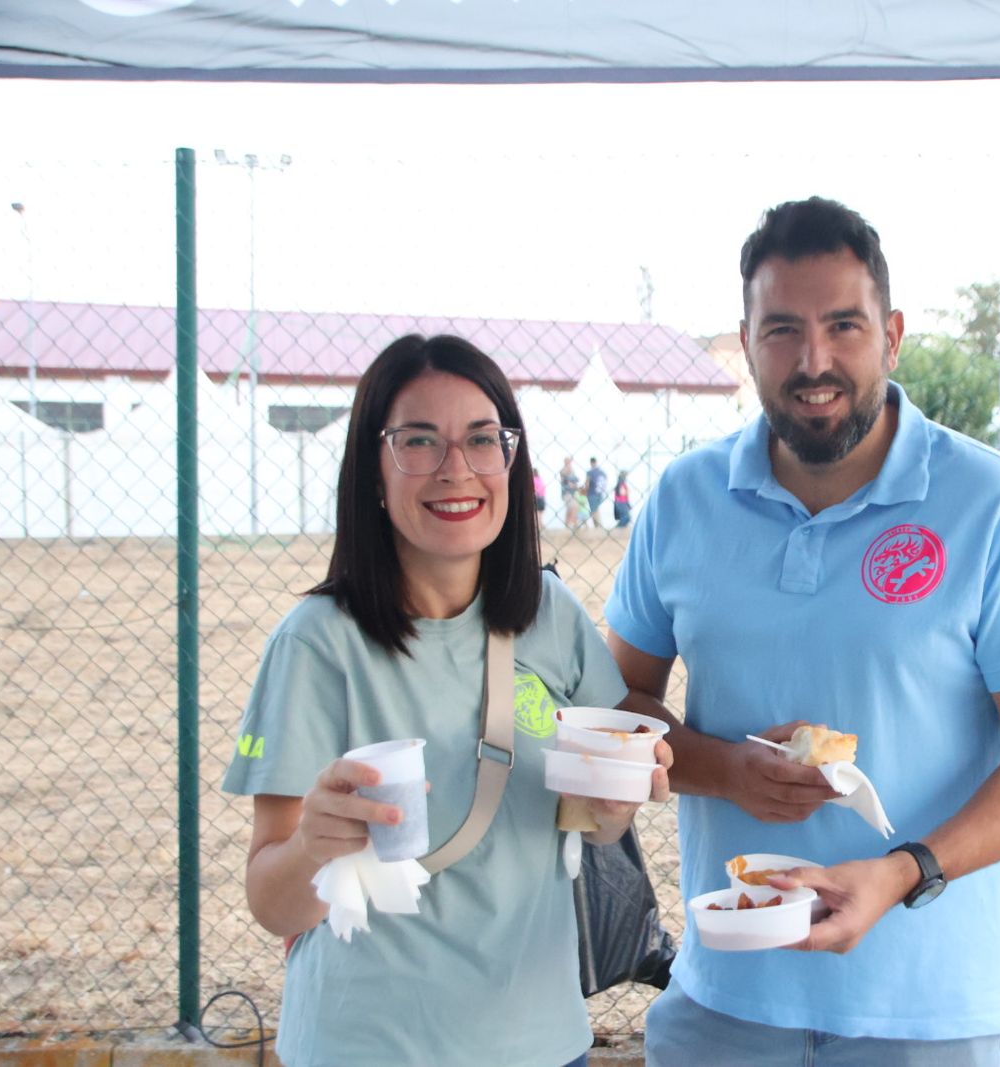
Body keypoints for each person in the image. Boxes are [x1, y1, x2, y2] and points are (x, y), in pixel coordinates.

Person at [606, 197, 1000, 1066]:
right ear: (747, 340)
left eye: (844, 325)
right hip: (727, 990)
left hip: (927, 1011)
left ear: (894, 333)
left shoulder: (985, 502)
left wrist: (903, 871)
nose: (814, 360)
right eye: (783, 330)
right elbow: (619, 702)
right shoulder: (685, 500)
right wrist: (725, 769)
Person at [221, 334, 672, 1067]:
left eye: (481, 439)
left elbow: (591, 816)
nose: (455, 468)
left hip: (541, 1042)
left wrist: (615, 804)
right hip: (364, 1045)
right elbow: (271, 900)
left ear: (511, 459)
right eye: (419, 441)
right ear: (374, 469)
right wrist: (312, 844)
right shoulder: (315, 644)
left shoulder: (552, 616)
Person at [584, 458, 609, 528]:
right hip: (600, 494)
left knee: (593, 510)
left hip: (592, 494)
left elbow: (587, 484)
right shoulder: (602, 472)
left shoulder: (590, 472)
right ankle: (598, 525)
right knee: (596, 509)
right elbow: (605, 482)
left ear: (591, 463)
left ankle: (598, 526)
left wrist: (583, 491)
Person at [560, 456, 581, 529]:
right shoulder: (564, 471)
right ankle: (569, 524)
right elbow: (564, 474)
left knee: (574, 508)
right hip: (567, 493)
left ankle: (573, 523)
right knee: (571, 507)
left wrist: (574, 485)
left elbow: (577, 481)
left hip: (573, 493)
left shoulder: (572, 471)